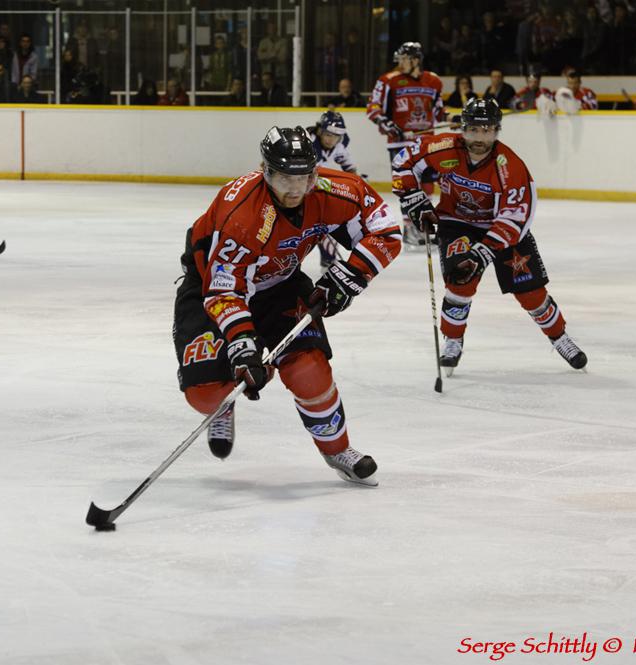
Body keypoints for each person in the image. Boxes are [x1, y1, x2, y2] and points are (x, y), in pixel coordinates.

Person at [172, 126, 401, 485]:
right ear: (265, 171)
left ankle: (337, 449)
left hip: (280, 284)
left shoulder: (335, 189)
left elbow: (385, 231)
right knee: (205, 394)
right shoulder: (242, 214)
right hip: (210, 289)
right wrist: (243, 345)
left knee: (309, 370)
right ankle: (223, 405)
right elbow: (223, 289)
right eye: (283, 178)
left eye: (303, 178)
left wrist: (350, 275)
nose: (295, 189)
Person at [391, 98, 587, 374]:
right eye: (473, 129)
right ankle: (453, 340)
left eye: (487, 130)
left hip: (502, 231)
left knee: (531, 293)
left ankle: (559, 337)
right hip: (457, 224)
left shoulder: (510, 166)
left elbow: (515, 217)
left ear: (496, 131)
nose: (479, 138)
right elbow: (404, 160)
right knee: (460, 281)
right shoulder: (443, 147)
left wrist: (484, 251)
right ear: (463, 128)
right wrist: (414, 199)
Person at [366, 41, 446, 247]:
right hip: (400, 145)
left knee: (428, 184)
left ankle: (423, 224)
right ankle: (409, 228)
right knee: (407, 184)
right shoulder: (388, 80)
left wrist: (452, 118)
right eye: (400, 59)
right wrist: (388, 125)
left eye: (404, 59)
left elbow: (438, 111)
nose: (400, 63)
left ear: (416, 60)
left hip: (426, 142)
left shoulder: (433, 81)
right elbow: (373, 108)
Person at [308, 110, 359, 267]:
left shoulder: (339, 146)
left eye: (336, 136)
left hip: (310, 189)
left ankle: (328, 259)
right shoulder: (307, 142)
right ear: (320, 131)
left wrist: (356, 186)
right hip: (293, 189)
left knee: (331, 219)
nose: (331, 140)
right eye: (328, 135)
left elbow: (350, 169)